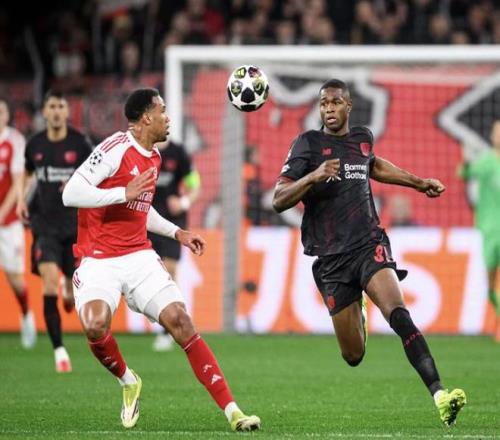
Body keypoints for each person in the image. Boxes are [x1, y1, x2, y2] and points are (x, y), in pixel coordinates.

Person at [62, 88, 260, 431]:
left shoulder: (153, 157)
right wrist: (122, 192)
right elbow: (71, 193)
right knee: (95, 325)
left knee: (181, 322)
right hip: (99, 259)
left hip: (138, 255)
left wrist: (177, 232)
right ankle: (128, 381)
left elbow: (141, 209)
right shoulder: (114, 148)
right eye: (163, 111)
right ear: (145, 118)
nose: (168, 118)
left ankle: (234, 412)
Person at [272, 79, 466, 427]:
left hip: (368, 245)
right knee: (353, 355)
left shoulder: (362, 138)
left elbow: (373, 165)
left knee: (399, 314)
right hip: (332, 259)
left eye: (335, 102)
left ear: (348, 106)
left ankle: (440, 394)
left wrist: (418, 182)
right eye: (323, 104)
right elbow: (278, 199)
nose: (328, 109)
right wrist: (313, 177)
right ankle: (357, 307)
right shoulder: (307, 144)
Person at [17, 90, 92, 372]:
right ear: (45, 112)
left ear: (67, 111)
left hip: (74, 226)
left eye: (61, 106)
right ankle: (59, 350)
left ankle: (68, 288)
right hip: (44, 225)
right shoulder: (34, 144)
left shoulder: (80, 144)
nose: (57, 111)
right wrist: (22, 199)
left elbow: (96, 173)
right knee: (48, 281)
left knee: (72, 294)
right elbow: (27, 172)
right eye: (52, 106)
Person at [149, 139, 201, 352]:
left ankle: (169, 329)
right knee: (150, 275)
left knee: (169, 272)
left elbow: (195, 185)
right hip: (146, 221)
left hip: (172, 224)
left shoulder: (178, 152)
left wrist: (184, 203)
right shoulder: (143, 150)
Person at [459, 120, 500, 341]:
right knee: (490, 285)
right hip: (490, 230)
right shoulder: (486, 162)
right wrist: (466, 161)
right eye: (497, 131)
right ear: (492, 136)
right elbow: (464, 173)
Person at [0, 98, 36, 349]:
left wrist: (2, 212)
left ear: (7, 115)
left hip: (8, 222)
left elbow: (18, 183)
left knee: (14, 277)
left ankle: (26, 314)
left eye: (1, 111)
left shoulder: (14, 141)